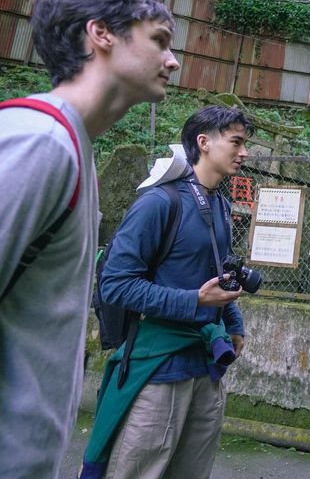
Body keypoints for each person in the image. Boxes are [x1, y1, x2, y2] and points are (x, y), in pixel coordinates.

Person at [0, 0, 179, 479]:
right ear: (101, 34)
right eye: (160, 40)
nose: (173, 61)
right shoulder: (37, 142)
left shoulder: (69, 146)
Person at [79, 105, 253, 479]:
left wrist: (233, 321)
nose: (244, 153)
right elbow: (115, 283)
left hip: (207, 365)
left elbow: (218, 271)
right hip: (158, 366)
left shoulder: (221, 205)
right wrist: (193, 301)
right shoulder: (159, 202)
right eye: (236, 142)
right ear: (203, 143)